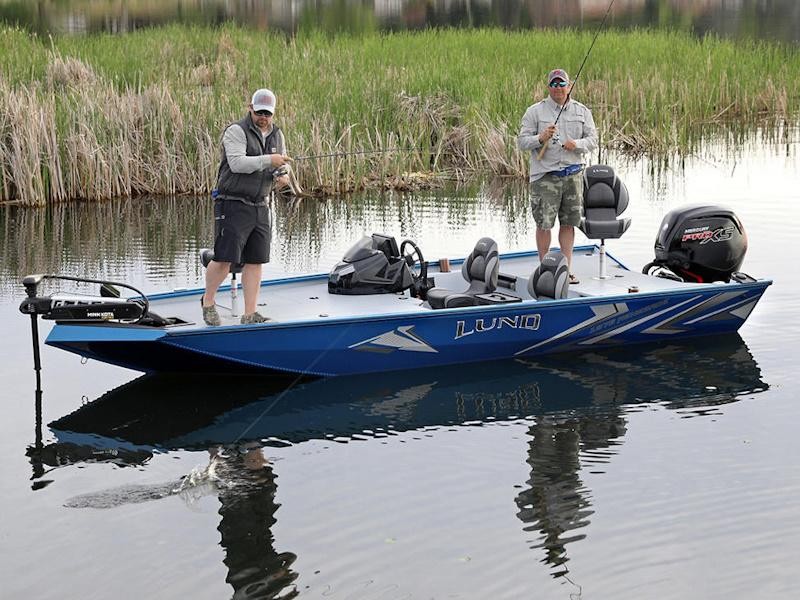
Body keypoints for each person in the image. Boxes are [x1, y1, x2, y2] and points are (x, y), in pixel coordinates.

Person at [202, 88, 291, 326]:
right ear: (250, 108)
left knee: (255, 260)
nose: (263, 117)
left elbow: (280, 164)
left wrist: (283, 174)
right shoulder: (236, 131)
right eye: (259, 112)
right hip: (232, 203)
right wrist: (268, 161)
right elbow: (238, 163)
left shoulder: (277, 135)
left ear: (273, 113)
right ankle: (208, 303)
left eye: (268, 113)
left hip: (260, 204)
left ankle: (250, 313)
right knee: (224, 259)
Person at [518, 68, 598, 284]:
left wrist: (576, 145)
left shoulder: (582, 111)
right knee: (544, 224)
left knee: (569, 223)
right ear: (548, 87)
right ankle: (546, 269)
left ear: (569, 86)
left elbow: (593, 140)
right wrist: (541, 138)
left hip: (573, 175)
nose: (558, 88)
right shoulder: (535, 112)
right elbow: (522, 142)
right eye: (553, 84)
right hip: (545, 176)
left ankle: (565, 269)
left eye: (561, 84)